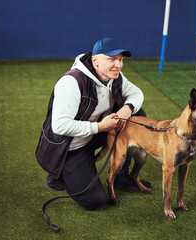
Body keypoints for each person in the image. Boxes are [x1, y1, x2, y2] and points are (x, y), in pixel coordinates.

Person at [35, 38, 151, 211]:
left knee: (136, 115)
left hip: (96, 132)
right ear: (95, 60)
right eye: (111, 59)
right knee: (95, 200)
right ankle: (58, 173)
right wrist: (100, 127)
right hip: (71, 146)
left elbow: (136, 93)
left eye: (120, 59)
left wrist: (128, 108)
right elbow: (59, 126)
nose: (117, 65)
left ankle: (121, 176)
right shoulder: (72, 82)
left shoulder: (114, 76)